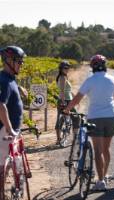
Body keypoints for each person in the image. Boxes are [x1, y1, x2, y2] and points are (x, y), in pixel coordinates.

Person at [64, 54, 114, 191]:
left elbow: (77, 98)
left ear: (92, 67)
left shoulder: (90, 80)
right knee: (106, 149)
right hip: (112, 116)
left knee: (98, 150)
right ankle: (105, 175)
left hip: (96, 117)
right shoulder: (112, 79)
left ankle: (100, 182)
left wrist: (67, 109)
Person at [0, 46, 26, 198]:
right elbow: (0, 105)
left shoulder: (10, 78)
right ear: (9, 61)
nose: (21, 64)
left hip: (13, 131)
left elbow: (10, 89)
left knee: (9, 165)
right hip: (5, 130)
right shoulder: (3, 80)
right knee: (2, 166)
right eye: (19, 61)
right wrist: (9, 129)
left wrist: (19, 88)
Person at [55, 60, 74, 144]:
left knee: (62, 118)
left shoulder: (65, 77)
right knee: (76, 117)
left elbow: (68, 91)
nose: (67, 69)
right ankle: (59, 139)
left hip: (68, 100)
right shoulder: (62, 77)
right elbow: (62, 91)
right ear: (61, 69)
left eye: (68, 68)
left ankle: (59, 139)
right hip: (65, 100)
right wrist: (63, 102)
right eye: (65, 68)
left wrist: (74, 97)